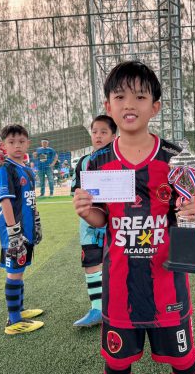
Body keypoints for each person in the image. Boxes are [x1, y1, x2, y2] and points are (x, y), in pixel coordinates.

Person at [73, 61, 195, 374]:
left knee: (184, 362)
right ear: (108, 106)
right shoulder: (97, 163)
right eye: (120, 97)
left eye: (140, 97)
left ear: (155, 107)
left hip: (168, 284)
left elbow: (189, 216)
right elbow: (102, 219)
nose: (129, 104)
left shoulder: (175, 159)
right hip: (119, 287)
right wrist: (88, 212)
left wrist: (191, 213)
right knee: (117, 364)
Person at [0, 124, 44, 335]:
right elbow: (5, 201)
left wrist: (37, 221)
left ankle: (19, 310)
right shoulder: (5, 169)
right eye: (12, 142)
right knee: (14, 272)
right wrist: (13, 232)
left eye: (21, 142)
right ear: (4, 145)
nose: (17, 146)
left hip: (27, 228)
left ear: (28, 144)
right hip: (14, 231)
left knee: (20, 269)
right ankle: (13, 321)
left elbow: (30, 199)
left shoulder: (27, 169)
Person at [71, 115, 117, 327]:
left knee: (119, 264)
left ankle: (119, 305)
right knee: (91, 262)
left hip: (118, 223)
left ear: (114, 136)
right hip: (89, 225)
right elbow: (76, 192)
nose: (98, 136)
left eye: (103, 132)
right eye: (95, 131)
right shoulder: (83, 162)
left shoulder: (121, 160)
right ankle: (97, 309)